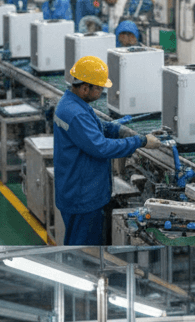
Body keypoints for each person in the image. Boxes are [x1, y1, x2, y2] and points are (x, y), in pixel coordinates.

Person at [53, 55, 161, 245]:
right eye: (99, 88)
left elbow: (93, 126)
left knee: (81, 244)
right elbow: (101, 148)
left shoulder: (72, 103)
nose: (102, 92)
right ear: (85, 87)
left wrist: (117, 129)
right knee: (84, 249)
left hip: (77, 188)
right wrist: (141, 141)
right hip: (82, 195)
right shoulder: (75, 112)